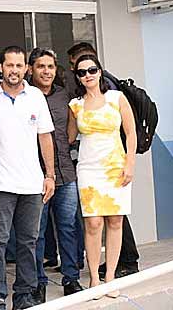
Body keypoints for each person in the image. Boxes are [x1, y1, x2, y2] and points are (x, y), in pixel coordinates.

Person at [0, 47, 56, 310]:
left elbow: (45, 136)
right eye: (9, 65)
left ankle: (24, 295)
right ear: (1, 67)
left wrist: (50, 175)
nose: (14, 70)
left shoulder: (35, 96)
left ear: (26, 68)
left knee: (29, 242)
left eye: (19, 65)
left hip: (31, 184)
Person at [65, 42, 140, 279]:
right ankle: (94, 279)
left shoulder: (116, 98)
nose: (87, 75)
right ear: (77, 77)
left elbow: (131, 133)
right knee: (93, 223)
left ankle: (109, 276)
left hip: (115, 166)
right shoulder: (75, 105)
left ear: (99, 71)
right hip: (88, 168)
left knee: (115, 221)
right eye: (82, 72)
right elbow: (68, 137)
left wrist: (130, 164)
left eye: (92, 70)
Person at [31, 48, 85, 299]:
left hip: (66, 173)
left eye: (50, 67)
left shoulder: (65, 96)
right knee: (37, 232)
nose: (46, 71)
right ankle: (38, 282)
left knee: (68, 228)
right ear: (31, 69)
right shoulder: (26, 96)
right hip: (35, 176)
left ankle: (71, 279)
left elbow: (73, 126)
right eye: (41, 66)